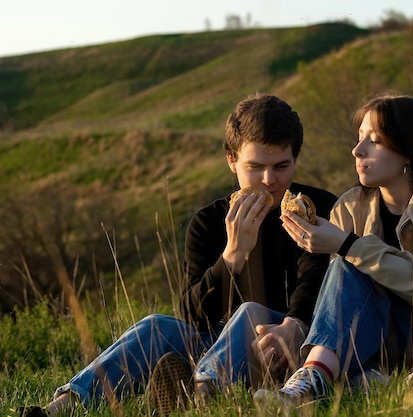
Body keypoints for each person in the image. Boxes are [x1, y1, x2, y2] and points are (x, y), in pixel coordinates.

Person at [18, 94, 337, 417]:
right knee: (155, 326)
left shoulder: (317, 209)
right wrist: (233, 255)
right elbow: (194, 316)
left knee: (250, 312)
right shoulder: (209, 222)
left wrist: (292, 322)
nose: (269, 181)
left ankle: (201, 396)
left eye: (281, 167)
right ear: (231, 160)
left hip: (284, 345)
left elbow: (316, 281)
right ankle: (61, 407)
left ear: (295, 159)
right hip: (217, 343)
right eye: (255, 167)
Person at [254, 93, 413, 408]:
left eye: (374, 141)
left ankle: (322, 380)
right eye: (359, 138)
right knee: (343, 270)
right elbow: (343, 302)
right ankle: (319, 380)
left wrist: (347, 243)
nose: (357, 150)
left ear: (408, 151)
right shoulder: (349, 207)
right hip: (380, 336)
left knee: (347, 262)